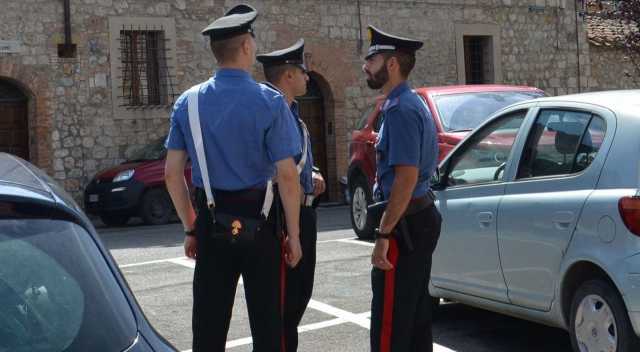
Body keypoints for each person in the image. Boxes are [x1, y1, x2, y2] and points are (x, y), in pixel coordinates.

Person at [164, 4, 303, 351]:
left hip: (212, 224)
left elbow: (171, 175)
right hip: (263, 226)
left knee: (209, 330)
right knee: (268, 327)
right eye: (252, 41)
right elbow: (287, 176)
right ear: (245, 47)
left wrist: (190, 227)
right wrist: (295, 236)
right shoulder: (270, 101)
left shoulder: (188, 103)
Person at [362, 25, 442, 352]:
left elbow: (405, 179)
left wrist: (383, 234)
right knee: (413, 318)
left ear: (392, 64)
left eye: (372, 59)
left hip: (405, 226)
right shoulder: (406, 103)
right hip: (415, 220)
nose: (365, 66)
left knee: (391, 323)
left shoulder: (401, 110)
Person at [257, 39, 327, 352]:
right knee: (285, 306)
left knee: (297, 299)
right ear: (288, 76)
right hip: (285, 217)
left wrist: (311, 176)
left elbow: (292, 164)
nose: (307, 77)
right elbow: (275, 172)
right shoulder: (274, 113)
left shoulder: (292, 113)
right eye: (302, 71)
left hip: (303, 213)